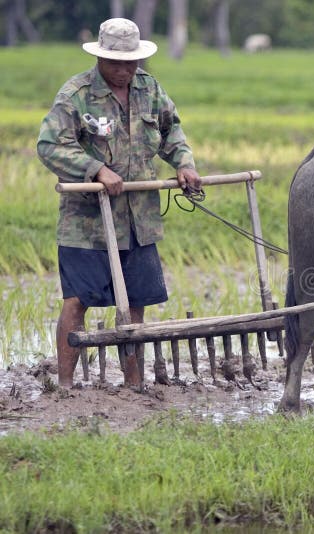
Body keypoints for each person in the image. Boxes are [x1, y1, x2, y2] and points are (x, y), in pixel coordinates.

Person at [37, 18, 201, 388]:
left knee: (136, 304)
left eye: (131, 63)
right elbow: (49, 146)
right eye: (116, 63)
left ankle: (133, 384)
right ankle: (64, 387)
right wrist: (95, 169)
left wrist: (184, 163)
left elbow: (171, 129)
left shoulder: (150, 88)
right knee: (77, 301)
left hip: (139, 218)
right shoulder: (76, 95)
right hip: (88, 223)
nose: (125, 70)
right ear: (100, 58)